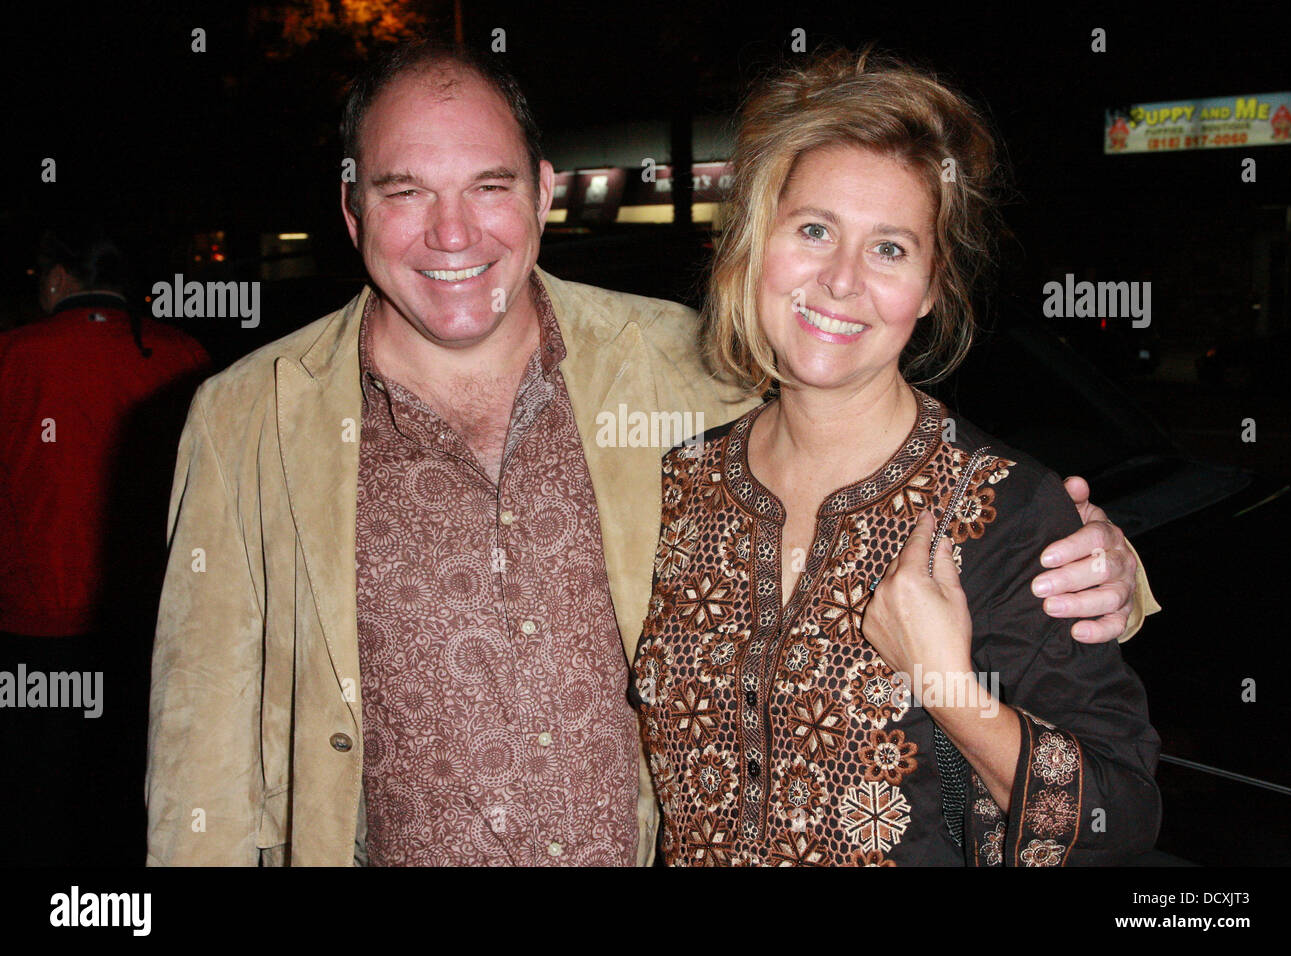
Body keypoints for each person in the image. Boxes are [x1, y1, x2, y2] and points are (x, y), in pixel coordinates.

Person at [146, 38, 1157, 866]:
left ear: (542, 192)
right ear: (352, 203)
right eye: (405, 190)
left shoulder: (676, 372)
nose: (451, 230)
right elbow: (203, 751)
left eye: (489, 185)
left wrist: (1106, 561)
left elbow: (901, 444)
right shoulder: (247, 418)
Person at [632, 48, 1161, 865]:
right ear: (753, 245)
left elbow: (1115, 818)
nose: (842, 280)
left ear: (932, 286)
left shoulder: (1004, 509)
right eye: (814, 230)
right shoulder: (677, 483)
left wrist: (949, 690)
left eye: (890, 249)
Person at [0, 223, 210, 864]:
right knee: (131, 782)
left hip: (30, 622)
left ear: (58, 278)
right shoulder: (185, 355)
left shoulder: (12, 355)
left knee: (32, 790)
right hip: (148, 622)